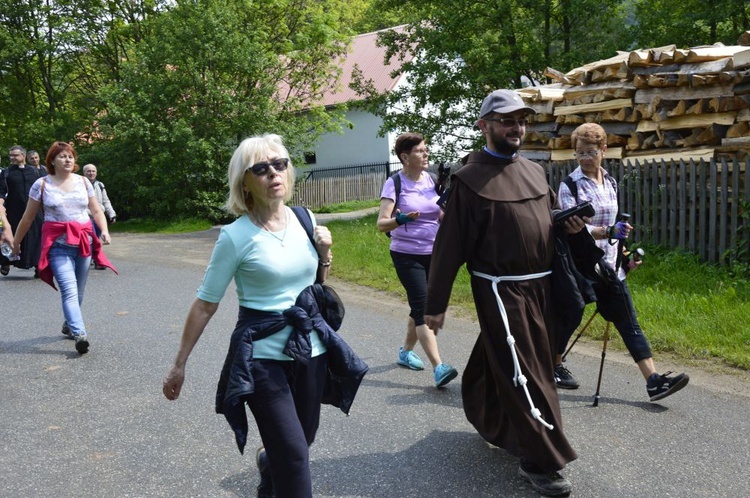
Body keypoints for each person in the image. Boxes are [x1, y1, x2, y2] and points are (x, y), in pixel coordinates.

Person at [162, 134, 367, 498]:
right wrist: (179, 364)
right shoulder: (234, 237)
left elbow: (315, 286)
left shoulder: (304, 218)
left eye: (280, 164)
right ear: (245, 181)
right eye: (261, 168)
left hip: (311, 351)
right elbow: (206, 304)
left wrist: (325, 254)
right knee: (294, 457)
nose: (274, 173)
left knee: (300, 443)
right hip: (261, 359)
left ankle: (268, 471)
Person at [424, 89, 583, 497]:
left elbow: (545, 224)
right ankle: (541, 461)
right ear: (485, 125)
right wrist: (435, 305)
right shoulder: (468, 180)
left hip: (544, 286)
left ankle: (486, 413)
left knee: (512, 357)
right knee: (528, 371)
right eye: (508, 120)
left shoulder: (533, 171)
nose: (517, 128)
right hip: (502, 292)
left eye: (522, 120)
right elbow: (448, 248)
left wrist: (571, 230)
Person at [553, 122, 689, 402]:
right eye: (579, 153)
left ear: (604, 150)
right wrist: (606, 231)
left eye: (590, 152)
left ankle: (653, 381)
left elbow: (613, 223)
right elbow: (570, 226)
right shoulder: (569, 184)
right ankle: (553, 365)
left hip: (610, 264)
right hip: (581, 263)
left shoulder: (611, 181)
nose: (584, 158)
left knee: (628, 320)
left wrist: (624, 254)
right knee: (571, 314)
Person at [11, 141, 116, 355]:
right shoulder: (41, 184)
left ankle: (69, 324)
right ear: (51, 160)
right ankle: (80, 334)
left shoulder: (84, 182)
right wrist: (15, 242)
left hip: (83, 243)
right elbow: (28, 217)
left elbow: (96, 210)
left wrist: (104, 230)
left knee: (78, 291)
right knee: (68, 290)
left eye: (70, 156)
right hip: (58, 246)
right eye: (62, 156)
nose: (67, 160)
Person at [376, 132, 458, 387]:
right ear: (405, 157)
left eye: (425, 149)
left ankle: (405, 352)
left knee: (418, 305)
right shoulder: (394, 183)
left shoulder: (431, 180)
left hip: (433, 253)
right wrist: (400, 220)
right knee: (424, 308)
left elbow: (438, 215)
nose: (426, 154)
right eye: (420, 151)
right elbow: (381, 224)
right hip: (406, 255)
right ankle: (439, 366)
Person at [0, 145, 44, 277]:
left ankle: (38, 266)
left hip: (34, 212)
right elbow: (1, 192)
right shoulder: (6, 173)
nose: (12, 158)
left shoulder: (35, 172)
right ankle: (5, 261)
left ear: (23, 156)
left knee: (37, 238)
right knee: (11, 236)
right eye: (11, 155)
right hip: (14, 211)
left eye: (15, 155)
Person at [82, 164, 117, 268]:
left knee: (98, 238)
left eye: (93, 171)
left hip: (99, 215)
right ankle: (96, 260)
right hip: (86, 216)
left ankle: (94, 258)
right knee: (91, 239)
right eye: (88, 171)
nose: (91, 173)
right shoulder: (79, 185)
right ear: (84, 173)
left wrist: (112, 214)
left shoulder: (100, 185)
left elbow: (106, 201)